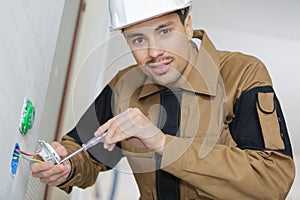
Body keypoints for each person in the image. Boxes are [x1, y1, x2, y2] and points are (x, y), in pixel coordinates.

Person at [30, 0, 295, 199]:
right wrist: (67, 166)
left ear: (188, 25)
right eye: (137, 39)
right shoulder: (125, 86)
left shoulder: (241, 74)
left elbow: (272, 181)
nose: (153, 52)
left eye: (165, 32)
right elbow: (85, 151)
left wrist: (160, 142)